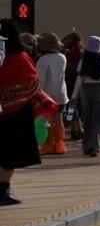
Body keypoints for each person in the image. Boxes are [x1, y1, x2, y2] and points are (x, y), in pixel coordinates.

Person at [0, 19, 58, 206]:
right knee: (10, 153)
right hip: (17, 115)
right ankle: (3, 190)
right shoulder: (21, 57)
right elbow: (32, 83)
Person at [71, 36, 100, 157]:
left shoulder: (83, 61)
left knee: (87, 120)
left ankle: (87, 146)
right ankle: (95, 146)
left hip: (87, 90)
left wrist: (74, 96)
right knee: (99, 120)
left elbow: (79, 79)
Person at [36, 32, 69, 155]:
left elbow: (41, 81)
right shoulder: (62, 57)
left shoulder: (42, 60)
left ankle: (48, 144)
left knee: (46, 120)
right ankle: (60, 144)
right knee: (58, 119)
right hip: (61, 94)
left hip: (47, 96)